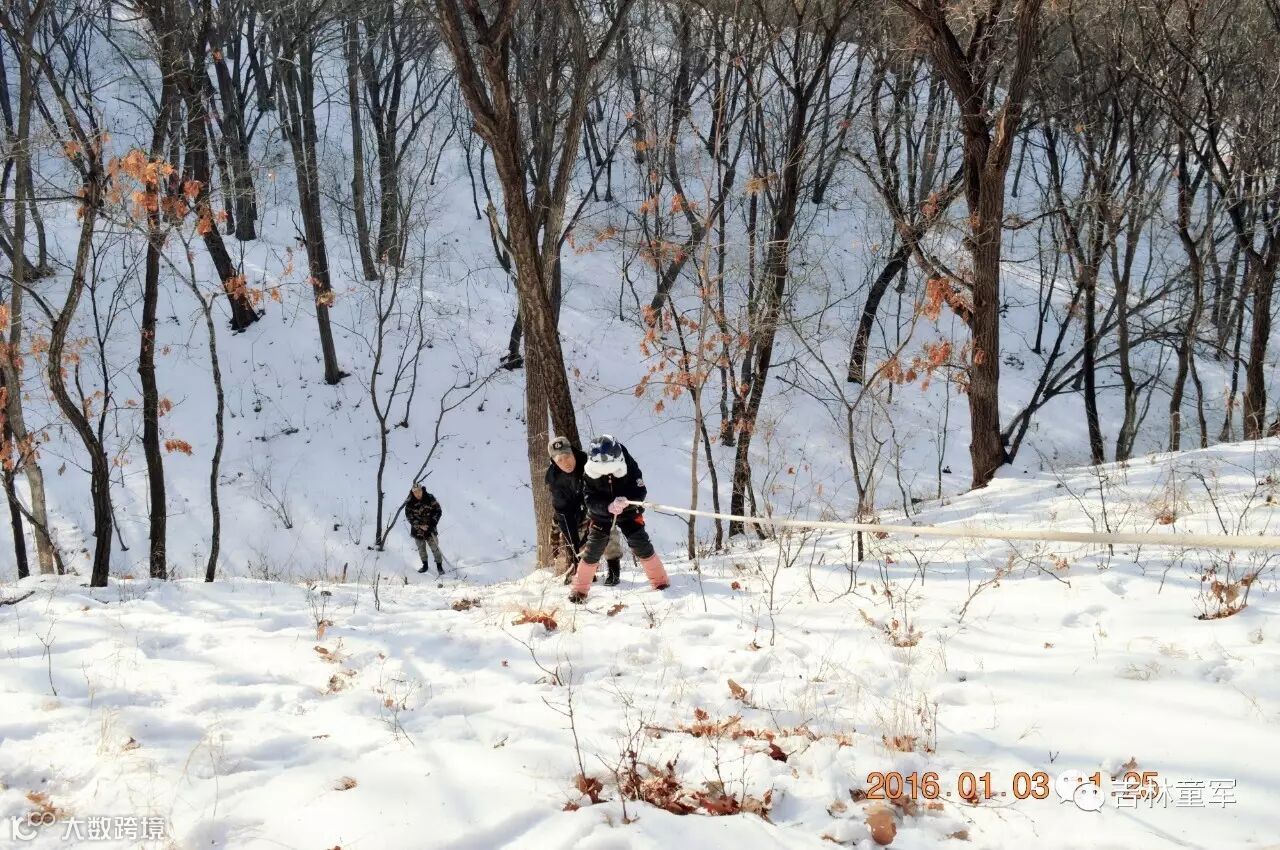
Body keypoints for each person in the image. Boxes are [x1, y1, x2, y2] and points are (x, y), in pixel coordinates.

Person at [569, 435, 669, 603]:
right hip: (601, 515)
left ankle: (660, 582)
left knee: (640, 543)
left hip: (628, 511)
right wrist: (607, 507)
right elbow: (589, 499)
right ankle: (579, 590)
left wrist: (627, 501)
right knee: (593, 549)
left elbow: (640, 490)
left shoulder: (629, 463)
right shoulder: (588, 470)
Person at [546, 436, 623, 585]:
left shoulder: (590, 463)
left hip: (599, 504)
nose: (565, 463)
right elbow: (563, 514)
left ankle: (614, 567)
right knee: (569, 537)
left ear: (573, 452)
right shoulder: (554, 479)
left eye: (567, 456)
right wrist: (574, 549)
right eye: (559, 460)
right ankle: (581, 568)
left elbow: (605, 491)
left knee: (606, 527)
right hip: (575, 512)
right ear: (554, 462)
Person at [404, 484, 445, 575]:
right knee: (421, 549)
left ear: (422, 490)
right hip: (417, 530)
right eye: (415, 492)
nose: (418, 493)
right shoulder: (409, 501)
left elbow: (438, 511)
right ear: (412, 493)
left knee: (435, 548)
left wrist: (432, 524)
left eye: (419, 491)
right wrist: (419, 525)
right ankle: (425, 565)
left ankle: (439, 566)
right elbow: (409, 516)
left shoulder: (430, 498)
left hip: (430, 528)